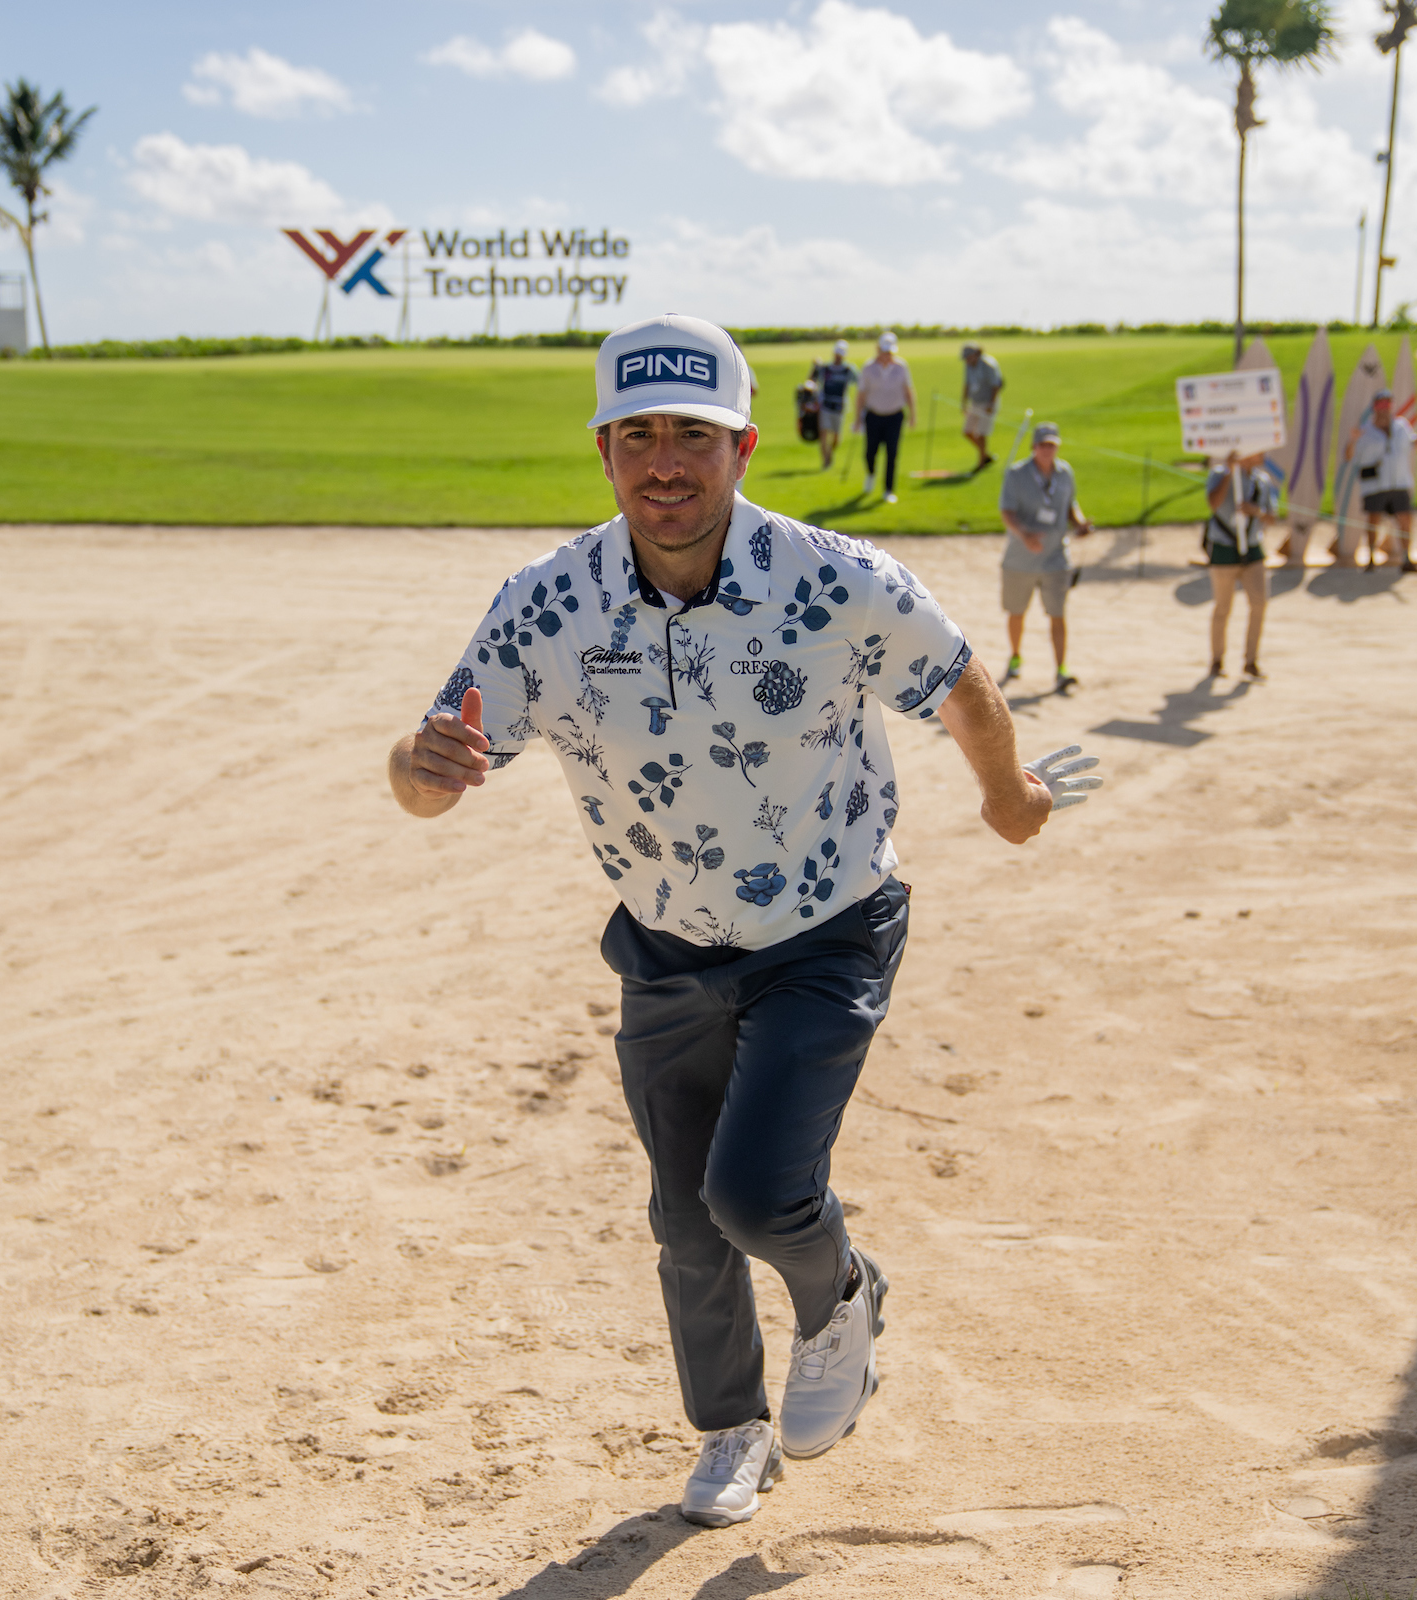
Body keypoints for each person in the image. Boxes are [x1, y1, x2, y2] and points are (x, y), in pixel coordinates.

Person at [388, 312, 1102, 1530]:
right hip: (666, 946)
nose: (667, 460)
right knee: (683, 1216)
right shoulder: (544, 606)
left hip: (827, 924)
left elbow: (959, 676)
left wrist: (1008, 793)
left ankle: (843, 1293)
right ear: (605, 448)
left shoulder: (835, 578)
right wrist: (422, 763)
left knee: (757, 1196)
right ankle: (732, 1430)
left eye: (695, 435)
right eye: (641, 435)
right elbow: (426, 775)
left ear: (745, 446)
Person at [998, 422, 1093, 692]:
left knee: (1058, 614)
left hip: (1055, 557)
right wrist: (1024, 535)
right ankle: (1015, 656)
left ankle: (1061, 669)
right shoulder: (1016, 474)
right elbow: (1007, 512)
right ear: (1034, 447)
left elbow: (1071, 505)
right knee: (1017, 612)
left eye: (1052, 445)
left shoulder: (1065, 473)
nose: (1047, 450)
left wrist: (1081, 524)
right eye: (1043, 445)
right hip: (1021, 558)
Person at [1345, 390, 1417, 572]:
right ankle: (1371, 558)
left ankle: (1406, 559)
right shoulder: (1365, 431)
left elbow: (1414, 445)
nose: (1385, 409)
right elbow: (1348, 456)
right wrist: (1352, 441)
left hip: (1399, 483)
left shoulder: (1401, 426)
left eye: (1388, 404)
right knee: (1373, 521)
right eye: (1381, 404)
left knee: (1405, 521)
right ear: (1374, 408)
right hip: (1375, 485)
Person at [1204, 450, 1274, 680]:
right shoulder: (1219, 473)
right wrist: (1229, 474)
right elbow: (1213, 504)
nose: (1264, 453)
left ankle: (1251, 660)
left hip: (1252, 547)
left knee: (1259, 603)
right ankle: (1217, 660)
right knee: (1223, 607)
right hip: (1224, 548)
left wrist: (1257, 511)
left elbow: (1272, 517)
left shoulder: (1262, 480)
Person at [856, 331, 916, 504]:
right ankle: (871, 475)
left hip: (895, 416)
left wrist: (913, 414)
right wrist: (858, 418)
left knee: (892, 453)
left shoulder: (901, 366)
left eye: (890, 352)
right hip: (873, 415)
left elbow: (908, 391)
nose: (887, 355)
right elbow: (861, 394)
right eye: (885, 351)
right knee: (870, 452)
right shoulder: (868, 367)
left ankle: (889, 490)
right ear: (877, 349)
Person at [810, 339, 858, 471]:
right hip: (825, 405)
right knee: (824, 434)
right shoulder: (826, 368)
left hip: (839, 406)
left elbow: (859, 381)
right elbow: (812, 380)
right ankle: (825, 461)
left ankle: (830, 453)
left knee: (836, 437)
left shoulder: (848, 370)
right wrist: (815, 366)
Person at [960, 343, 1004, 472]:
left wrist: (991, 405)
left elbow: (996, 386)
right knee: (968, 432)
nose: (967, 360)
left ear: (976, 354)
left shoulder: (988, 365)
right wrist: (964, 403)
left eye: (968, 357)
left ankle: (981, 464)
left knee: (981, 434)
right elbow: (966, 384)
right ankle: (985, 455)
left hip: (987, 402)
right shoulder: (968, 366)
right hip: (975, 402)